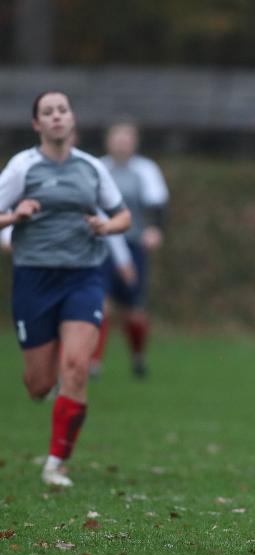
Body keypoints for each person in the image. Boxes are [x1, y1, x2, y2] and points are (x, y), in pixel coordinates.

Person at [0, 91, 131, 487]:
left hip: (83, 276)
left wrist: (106, 227)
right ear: (37, 124)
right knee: (39, 385)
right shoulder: (22, 167)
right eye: (48, 112)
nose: (56, 116)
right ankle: (50, 373)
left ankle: (56, 462)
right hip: (34, 279)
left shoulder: (91, 167)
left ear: (72, 119)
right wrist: (15, 215)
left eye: (62, 110)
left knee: (76, 367)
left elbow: (123, 216)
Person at [91, 120, 170, 378]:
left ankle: (137, 356)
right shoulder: (98, 167)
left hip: (133, 244)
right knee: (100, 303)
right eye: (117, 138)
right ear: (108, 140)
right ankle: (94, 362)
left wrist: (155, 229)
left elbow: (158, 205)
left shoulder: (145, 169)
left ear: (135, 142)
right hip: (101, 245)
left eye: (127, 138)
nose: (122, 143)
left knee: (134, 311)